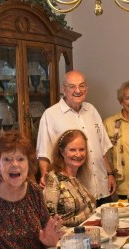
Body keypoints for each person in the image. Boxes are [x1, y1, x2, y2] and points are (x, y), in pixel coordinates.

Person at [36, 70, 116, 205]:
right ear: (64, 89)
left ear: (87, 88)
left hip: (102, 187)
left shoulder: (92, 110)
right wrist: (45, 177)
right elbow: (44, 153)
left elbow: (102, 147)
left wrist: (110, 174)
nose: (78, 90)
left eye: (82, 86)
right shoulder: (50, 115)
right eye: (72, 86)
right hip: (74, 194)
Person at [44, 129, 96, 226]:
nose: (78, 154)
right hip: (68, 234)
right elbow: (49, 219)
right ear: (62, 152)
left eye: (81, 149)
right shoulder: (54, 178)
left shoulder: (80, 174)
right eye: (72, 150)